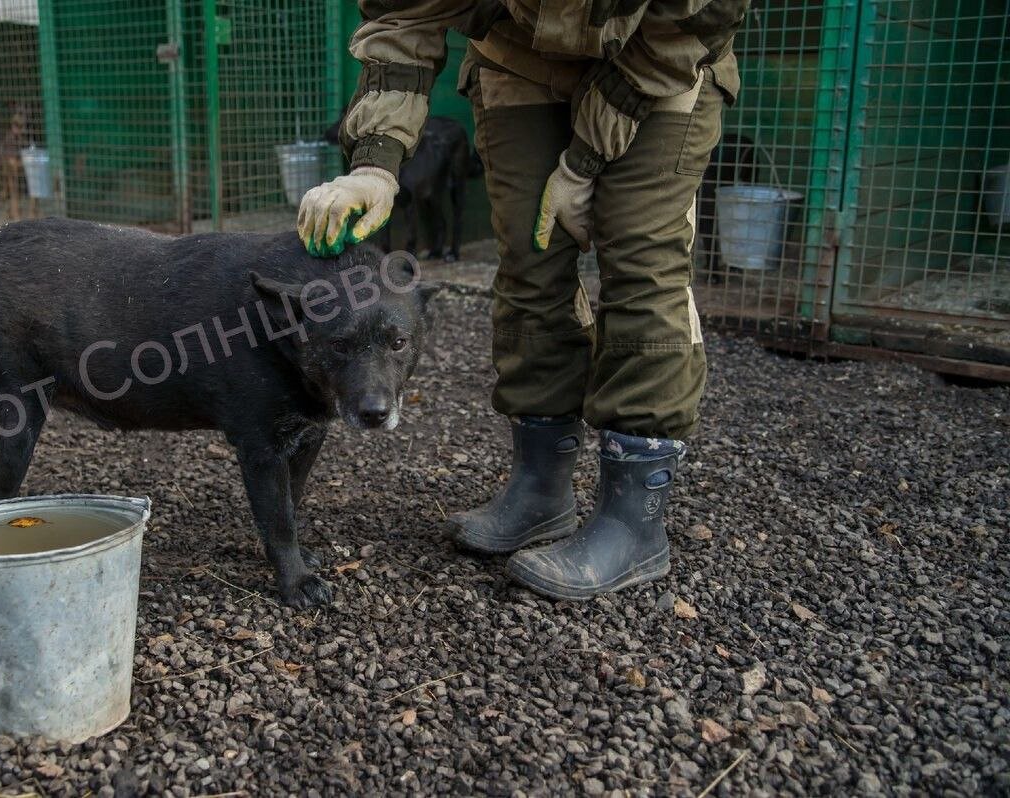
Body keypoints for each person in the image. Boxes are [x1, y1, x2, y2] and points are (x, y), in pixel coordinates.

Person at [298, 1, 748, 599]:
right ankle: (542, 491)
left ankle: (634, 523)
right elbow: (400, 20)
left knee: (643, 264)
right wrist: (375, 166)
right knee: (530, 261)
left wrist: (584, 161)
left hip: (660, 55)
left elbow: (698, 14)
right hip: (517, 61)